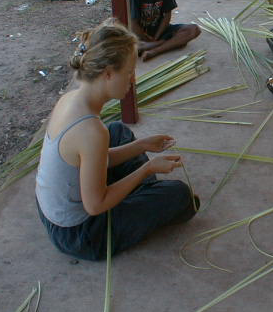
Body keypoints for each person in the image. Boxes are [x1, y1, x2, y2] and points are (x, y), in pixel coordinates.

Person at [35, 23, 198, 260]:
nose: (133, 79)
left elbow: (97, 157)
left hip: (51, 209)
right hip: (80, 233)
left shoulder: (71, 99)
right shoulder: (91, 131)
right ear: (108, 73)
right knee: (180, 196)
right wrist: (147, 168)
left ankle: (140, 194)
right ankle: (143, 194)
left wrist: (140, 146)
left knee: (118, 130)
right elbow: (95, 205)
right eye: (129, 71)